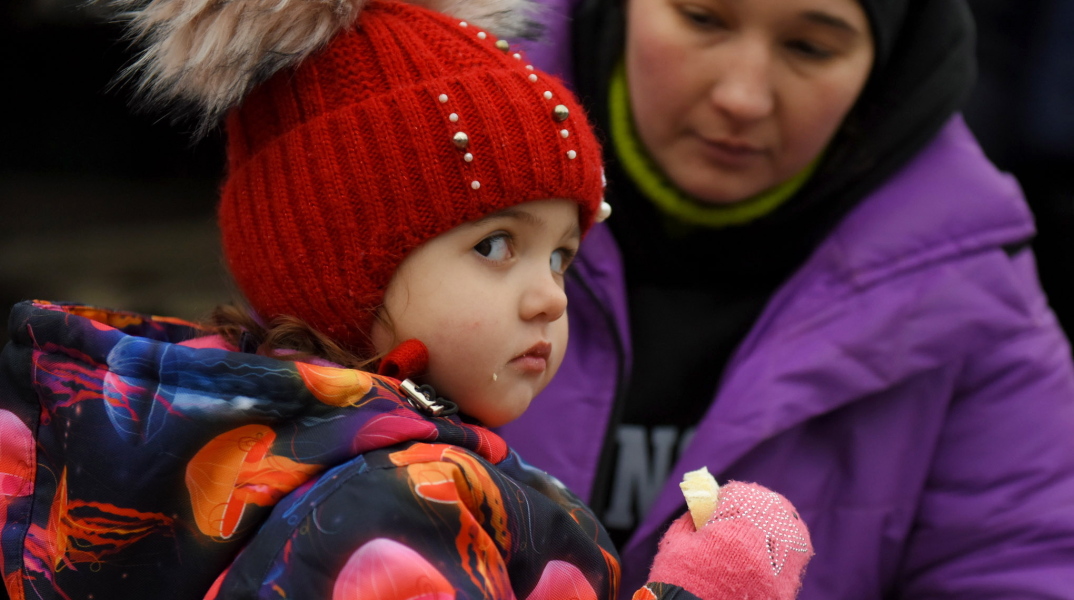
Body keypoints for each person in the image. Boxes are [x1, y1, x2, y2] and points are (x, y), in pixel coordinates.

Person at [0, 0, 814, 599]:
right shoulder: (394, 504)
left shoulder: (236, 458)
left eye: (562, 257)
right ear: (340, 263)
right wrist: (709, 588)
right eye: (495, 246)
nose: (548, 300)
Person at [497, 0, 1074, 597]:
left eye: (810, 48)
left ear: (890, 64)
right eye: (703, 18)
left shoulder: (970, 284)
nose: (742, 97)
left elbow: (1022, 567)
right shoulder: (433, 158)